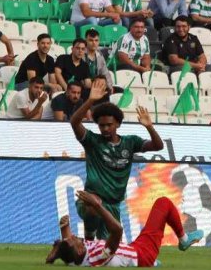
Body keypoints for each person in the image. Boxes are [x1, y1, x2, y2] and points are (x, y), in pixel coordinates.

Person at [68, 78, 164, 239]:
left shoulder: (130, 142)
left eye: (109, 125)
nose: (105, 128)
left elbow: (158, 146)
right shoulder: (92, 141)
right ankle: (89, 236)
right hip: (92, 200)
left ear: (117, 124)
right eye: (101, 125)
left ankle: (96, 244)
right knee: (93, 205)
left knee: (109, 254)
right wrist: (91, 100)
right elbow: (74, 122)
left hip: (113, 205)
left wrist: (149, 127)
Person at [47, 190, 203, 267]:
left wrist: (64, 226)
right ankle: (183, 240)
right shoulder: (98, 256)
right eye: (75, 240)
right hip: (143, 254)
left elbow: (67, 245)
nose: (75, 236)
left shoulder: (75, 258)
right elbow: (117, 230)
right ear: (79, 250)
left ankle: (153, 263)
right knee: (163, 203)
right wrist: (97, 205)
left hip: (133, 249)